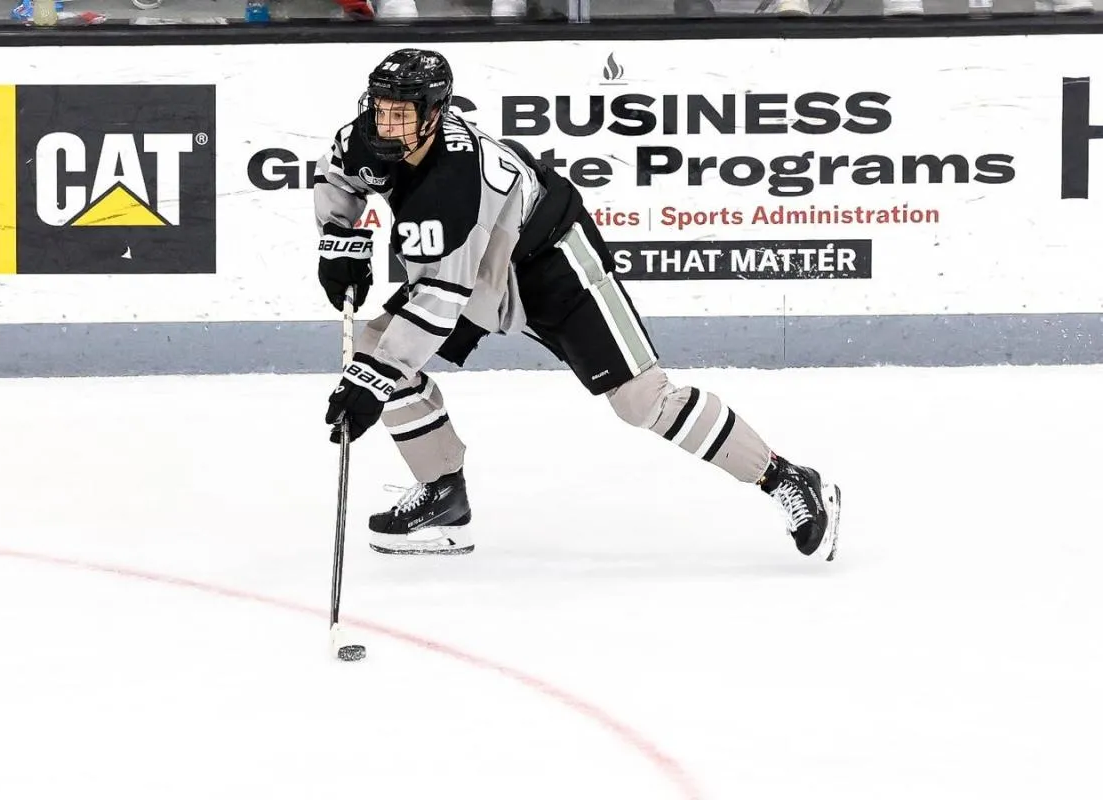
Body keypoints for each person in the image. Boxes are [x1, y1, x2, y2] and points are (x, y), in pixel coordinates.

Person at [314, 48, 842, 561]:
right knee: (375, 346)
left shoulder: (454, 185)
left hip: (554, 262)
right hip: (479, 265)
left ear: (435, 112)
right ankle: (443, 497)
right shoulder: (362, 138)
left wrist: (373, 380)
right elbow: (338, 177)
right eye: (380, 107)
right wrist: (339, 239)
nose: (386, 124)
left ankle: (784, 477)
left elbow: (437, 299)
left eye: (401, 113)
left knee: (644, 401)